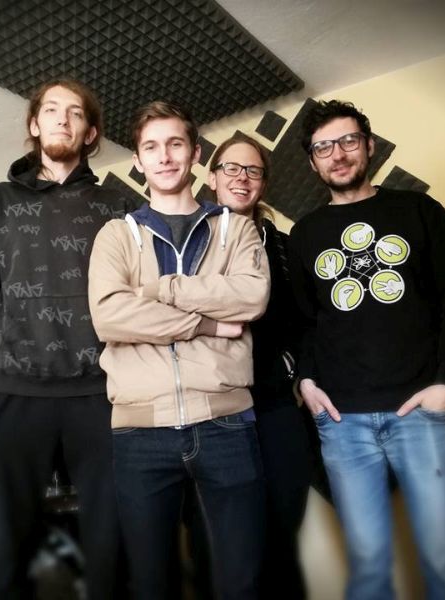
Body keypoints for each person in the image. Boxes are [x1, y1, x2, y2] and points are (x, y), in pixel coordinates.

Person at [289, 99, 445, 600]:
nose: (337, 154)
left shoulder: (418, 211)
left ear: (369, 146)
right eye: (323, 148)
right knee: (369, 564)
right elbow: (305, 323)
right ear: (313, 162)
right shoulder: (305, 234)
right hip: (342, 423)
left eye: (348, 140)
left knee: (441, 557)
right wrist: (306, 382)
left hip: (420, 412)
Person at [88, 101, 270, 600]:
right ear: (138, 161)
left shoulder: (236, 228)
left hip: (227, 426)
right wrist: (208, 321)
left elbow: (251, 297)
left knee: (240, 583)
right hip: (139, 433)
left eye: (174, 144)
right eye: (151, 147)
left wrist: (160, 289)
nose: (164, 156)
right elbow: (110, 317)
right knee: (151, 585)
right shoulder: (115, 235)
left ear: (195, 153)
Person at [0, 78, 132, 600]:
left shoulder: (119, 205)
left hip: (103, 395)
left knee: (113, 547)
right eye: (52, 110)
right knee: (6, 554)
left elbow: (136, 300)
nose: (63, 118)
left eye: (75, 112)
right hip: (14, 393)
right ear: (34, 125)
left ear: (91, 133)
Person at [183, 132, 311, 599]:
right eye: (231, 168)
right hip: (211, 412)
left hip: (274, 407)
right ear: (212, 178)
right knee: (216, 544)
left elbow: (304, 320)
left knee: (280, 538)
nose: (242, 177)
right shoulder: (185, 241)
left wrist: (295, 369)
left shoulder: (282, 245)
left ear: (263, 183)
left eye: (253, 170)